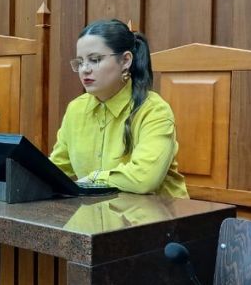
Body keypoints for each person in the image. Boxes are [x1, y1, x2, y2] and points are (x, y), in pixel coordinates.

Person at [49, 19, 188, 198]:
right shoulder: (76, 109)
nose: (84, 70)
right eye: (80, 62)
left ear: (125, 60)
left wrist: (93, 179)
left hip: (159, 211)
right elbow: (56, 170)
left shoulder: (154, 110)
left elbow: (144, 179)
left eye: (94, 60)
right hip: (101, 211)